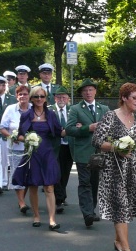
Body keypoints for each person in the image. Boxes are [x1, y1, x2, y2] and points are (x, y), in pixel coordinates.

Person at [91, 82, 136, 251]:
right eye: (134, 98)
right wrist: (116, 148)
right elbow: (96, 141)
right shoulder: (111, 116)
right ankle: (127, 250)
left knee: (124, 206)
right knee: (120, 206)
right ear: (124, 98)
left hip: (131, 169)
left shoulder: (135, 119)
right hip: (113, 169)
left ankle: (118, 240)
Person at [11, 86, 63, 230]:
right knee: (33, 185)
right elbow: (20, 135)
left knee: (49, 185)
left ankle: (52, 220)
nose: (39, 99)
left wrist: (76, 129)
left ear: (46, 99)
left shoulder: (51, 114)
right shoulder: (26, 115)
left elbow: (60, 132)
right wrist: (28, 139)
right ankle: (36, 216)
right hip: (32, 153)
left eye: (42, 96)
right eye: (36, 97)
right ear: (32, 99)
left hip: (47, 153)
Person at [66, 79, 109, 226]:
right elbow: (69, 129)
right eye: (85, 90)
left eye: (91, 90)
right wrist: (87, 128)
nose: (88, 92)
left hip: (100, 152)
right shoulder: (75, 109)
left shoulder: (104, 109)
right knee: (84, 183)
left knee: (95, 182)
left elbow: (111, 127)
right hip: (83, 152)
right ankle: (88, 213)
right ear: (81, 93)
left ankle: (91, 208)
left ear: (95, 91)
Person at [0, 84, 31, 214]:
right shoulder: (10, 109)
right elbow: (2, 128)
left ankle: (21, 198)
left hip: (31, 148)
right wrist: (12, 136)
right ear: (16, 96)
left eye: (25, 94)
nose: (23, 96)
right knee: (17, 174)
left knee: (28, 176)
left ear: (29, 95)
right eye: (20, 94)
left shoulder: (34, 109)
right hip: (15, 148)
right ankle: (21, 202)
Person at [51, 86, 74, 214]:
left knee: (65, 172)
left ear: (68, 99)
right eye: (59, 97)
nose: (61, 99)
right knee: (56, 172)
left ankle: (61, 195)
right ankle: (58, 200)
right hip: (55, 146)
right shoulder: (49, 110)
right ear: (55, 98)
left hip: (69, 146)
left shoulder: (73, 110)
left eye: (64, 97)